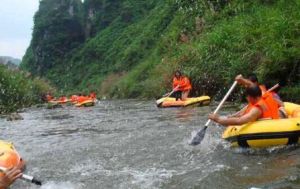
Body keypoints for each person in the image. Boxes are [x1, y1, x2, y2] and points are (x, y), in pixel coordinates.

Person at [209, 85, 279, 126]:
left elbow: (239, 121)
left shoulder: (257, 109)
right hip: (274, 125)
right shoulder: (264, 99)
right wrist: (227, 117)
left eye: (247, 97)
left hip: (267, 129)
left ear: (250, 97)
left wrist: (217, 119)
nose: (247, 99)